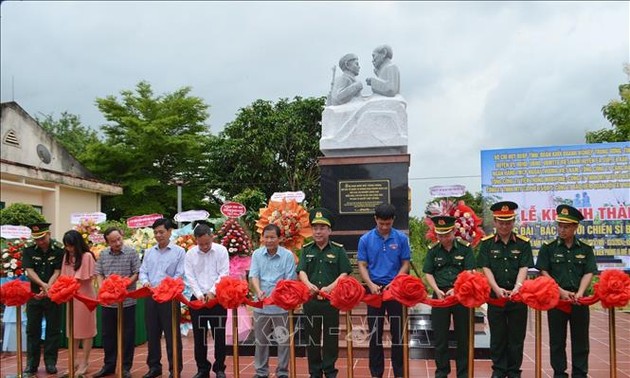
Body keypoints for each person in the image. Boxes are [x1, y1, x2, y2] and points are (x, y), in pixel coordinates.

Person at [535, 204, 596, 378]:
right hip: (557, 300)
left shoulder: (585, 249)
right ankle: (559, 373)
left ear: (576, 227)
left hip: (578, 300)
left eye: (566, 226)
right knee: (556, 340)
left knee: (581, 340)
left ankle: (580, 372)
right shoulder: (549, 248)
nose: (562, 230)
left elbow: (589, 272)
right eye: (560, 226)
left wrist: (581, 292)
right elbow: (544, 272)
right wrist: (560, 290)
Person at [477, 201, 533, 378]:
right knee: (498, 337)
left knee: (517, 337)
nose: (504, 226)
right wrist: (496, 288)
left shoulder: (523, 243)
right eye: (500, 222)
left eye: (508, 222)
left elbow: (524, 267)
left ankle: (514, 370)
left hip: (518, 297)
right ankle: (499, 370)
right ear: (494, 222)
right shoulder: (487, 244)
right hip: (496, 297)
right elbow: (485, 268)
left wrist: (517, 287)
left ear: (513, 222)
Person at [297, 208, 352, 378]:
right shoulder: (306, 249)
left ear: (329, 230)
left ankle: (329, 371)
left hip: (331, 301)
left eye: (322, 228)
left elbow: (344, 272)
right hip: (311, 301)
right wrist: (308, 284)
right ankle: (314, 371)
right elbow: (301, 271)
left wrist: (330, 287)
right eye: (315, 228)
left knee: (330, 339)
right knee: (312, 339)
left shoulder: (337, 249)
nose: (318, 231)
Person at [357, 203, 410, 378]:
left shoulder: (401, 239)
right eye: (381, 224)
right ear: (375, 219)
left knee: (398, 334)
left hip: (395, 291)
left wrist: (395, 282)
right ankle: (376, 373)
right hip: (375, 291)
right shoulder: (365, 239)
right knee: (375, 334)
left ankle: (400, 373)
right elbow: (362, 265)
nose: (385, 227)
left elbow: (405, 264)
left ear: (393, 220)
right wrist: (370, 284)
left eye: (388, 224)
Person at [423, 216, 475, 378]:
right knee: (440, 337)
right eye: (440, 235)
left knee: (463, 336)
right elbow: (428, 273)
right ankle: (442, 371)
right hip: (440, 297)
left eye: (447, 234)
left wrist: (456, 289)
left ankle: (463, 373)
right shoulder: (433, 250)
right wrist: (436, 289)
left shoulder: (465, 249)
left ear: (454, 231)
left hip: (461, 296)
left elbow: (470, 272)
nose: (444, 238)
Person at [138, 218, 186, 378]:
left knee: (172, 334)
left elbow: (180, 274)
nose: (158, 235)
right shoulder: (149, 252)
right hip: (151, 296)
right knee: (152, 333)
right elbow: (143, 271)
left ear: (170, 232)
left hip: (170, 298)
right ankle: (154, 367)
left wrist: (165, 287)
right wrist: (145, 282)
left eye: (162, 232)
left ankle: (175, 368)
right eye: (156, 232)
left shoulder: (179, 252)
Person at [249, 224, 297, 378]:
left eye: (272, 237)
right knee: (261, 341)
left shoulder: (288, 256)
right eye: (266, 237)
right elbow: (253, 275)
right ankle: (261, 372)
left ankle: (282, 372)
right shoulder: (256, 254)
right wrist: (258, 291)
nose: (268, 240)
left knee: (283, 341)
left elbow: (290, 279)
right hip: (261, 305)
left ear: (280, 238)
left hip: (281, 306)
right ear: (262, 238)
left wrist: (276, 295)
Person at [93, 227, 141, 378]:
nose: (117, 243)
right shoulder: (103, 254)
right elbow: (99, 272)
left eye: (119, 239)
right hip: (108, 302)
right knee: (108, 335)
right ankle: (109, 365)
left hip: (127, 301)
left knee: (127, 335)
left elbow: (137, 272)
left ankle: (126, 367)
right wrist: (103, 287)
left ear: (122, 236)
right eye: (113, 241)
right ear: (108, 242)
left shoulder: (131, 252)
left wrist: (124, 285)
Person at [184, 222, 229, 378]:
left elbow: (223, 273)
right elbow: (190, 276)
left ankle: (219, 368)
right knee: (199, 335)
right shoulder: (190, 253)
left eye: (207, 243)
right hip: (197, 299)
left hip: (217, 298)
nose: (204, 247)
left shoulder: (221, 251)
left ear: (212, 237)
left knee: (219, 334)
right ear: (195, 240)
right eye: (200, 244)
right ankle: (202, 368)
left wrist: (212, 291)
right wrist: (199, 294)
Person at [22, 222, 64, 375]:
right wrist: (42, 285)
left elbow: (58, 271)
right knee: (32, 330)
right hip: (35, 296)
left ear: (49, 234)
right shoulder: (28, 250)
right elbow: (29, 270)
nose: (40, 242)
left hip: (53, 295)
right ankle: (31, 364)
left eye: (42, 238)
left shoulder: (59, 250)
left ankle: (51, 362)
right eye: (37, 239)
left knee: (53, 330)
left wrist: (48, 287)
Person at [59, 230, 97, 376]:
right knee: (72, 331)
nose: (69, 249)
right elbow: (64, 276)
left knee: (86, 331)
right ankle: (73, 361)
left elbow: (82, 278)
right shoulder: (67, 256)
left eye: (71, 246)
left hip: (85, 297)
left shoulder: (87, 256)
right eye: (67, 246)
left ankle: (84, 362)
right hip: (71, 297)